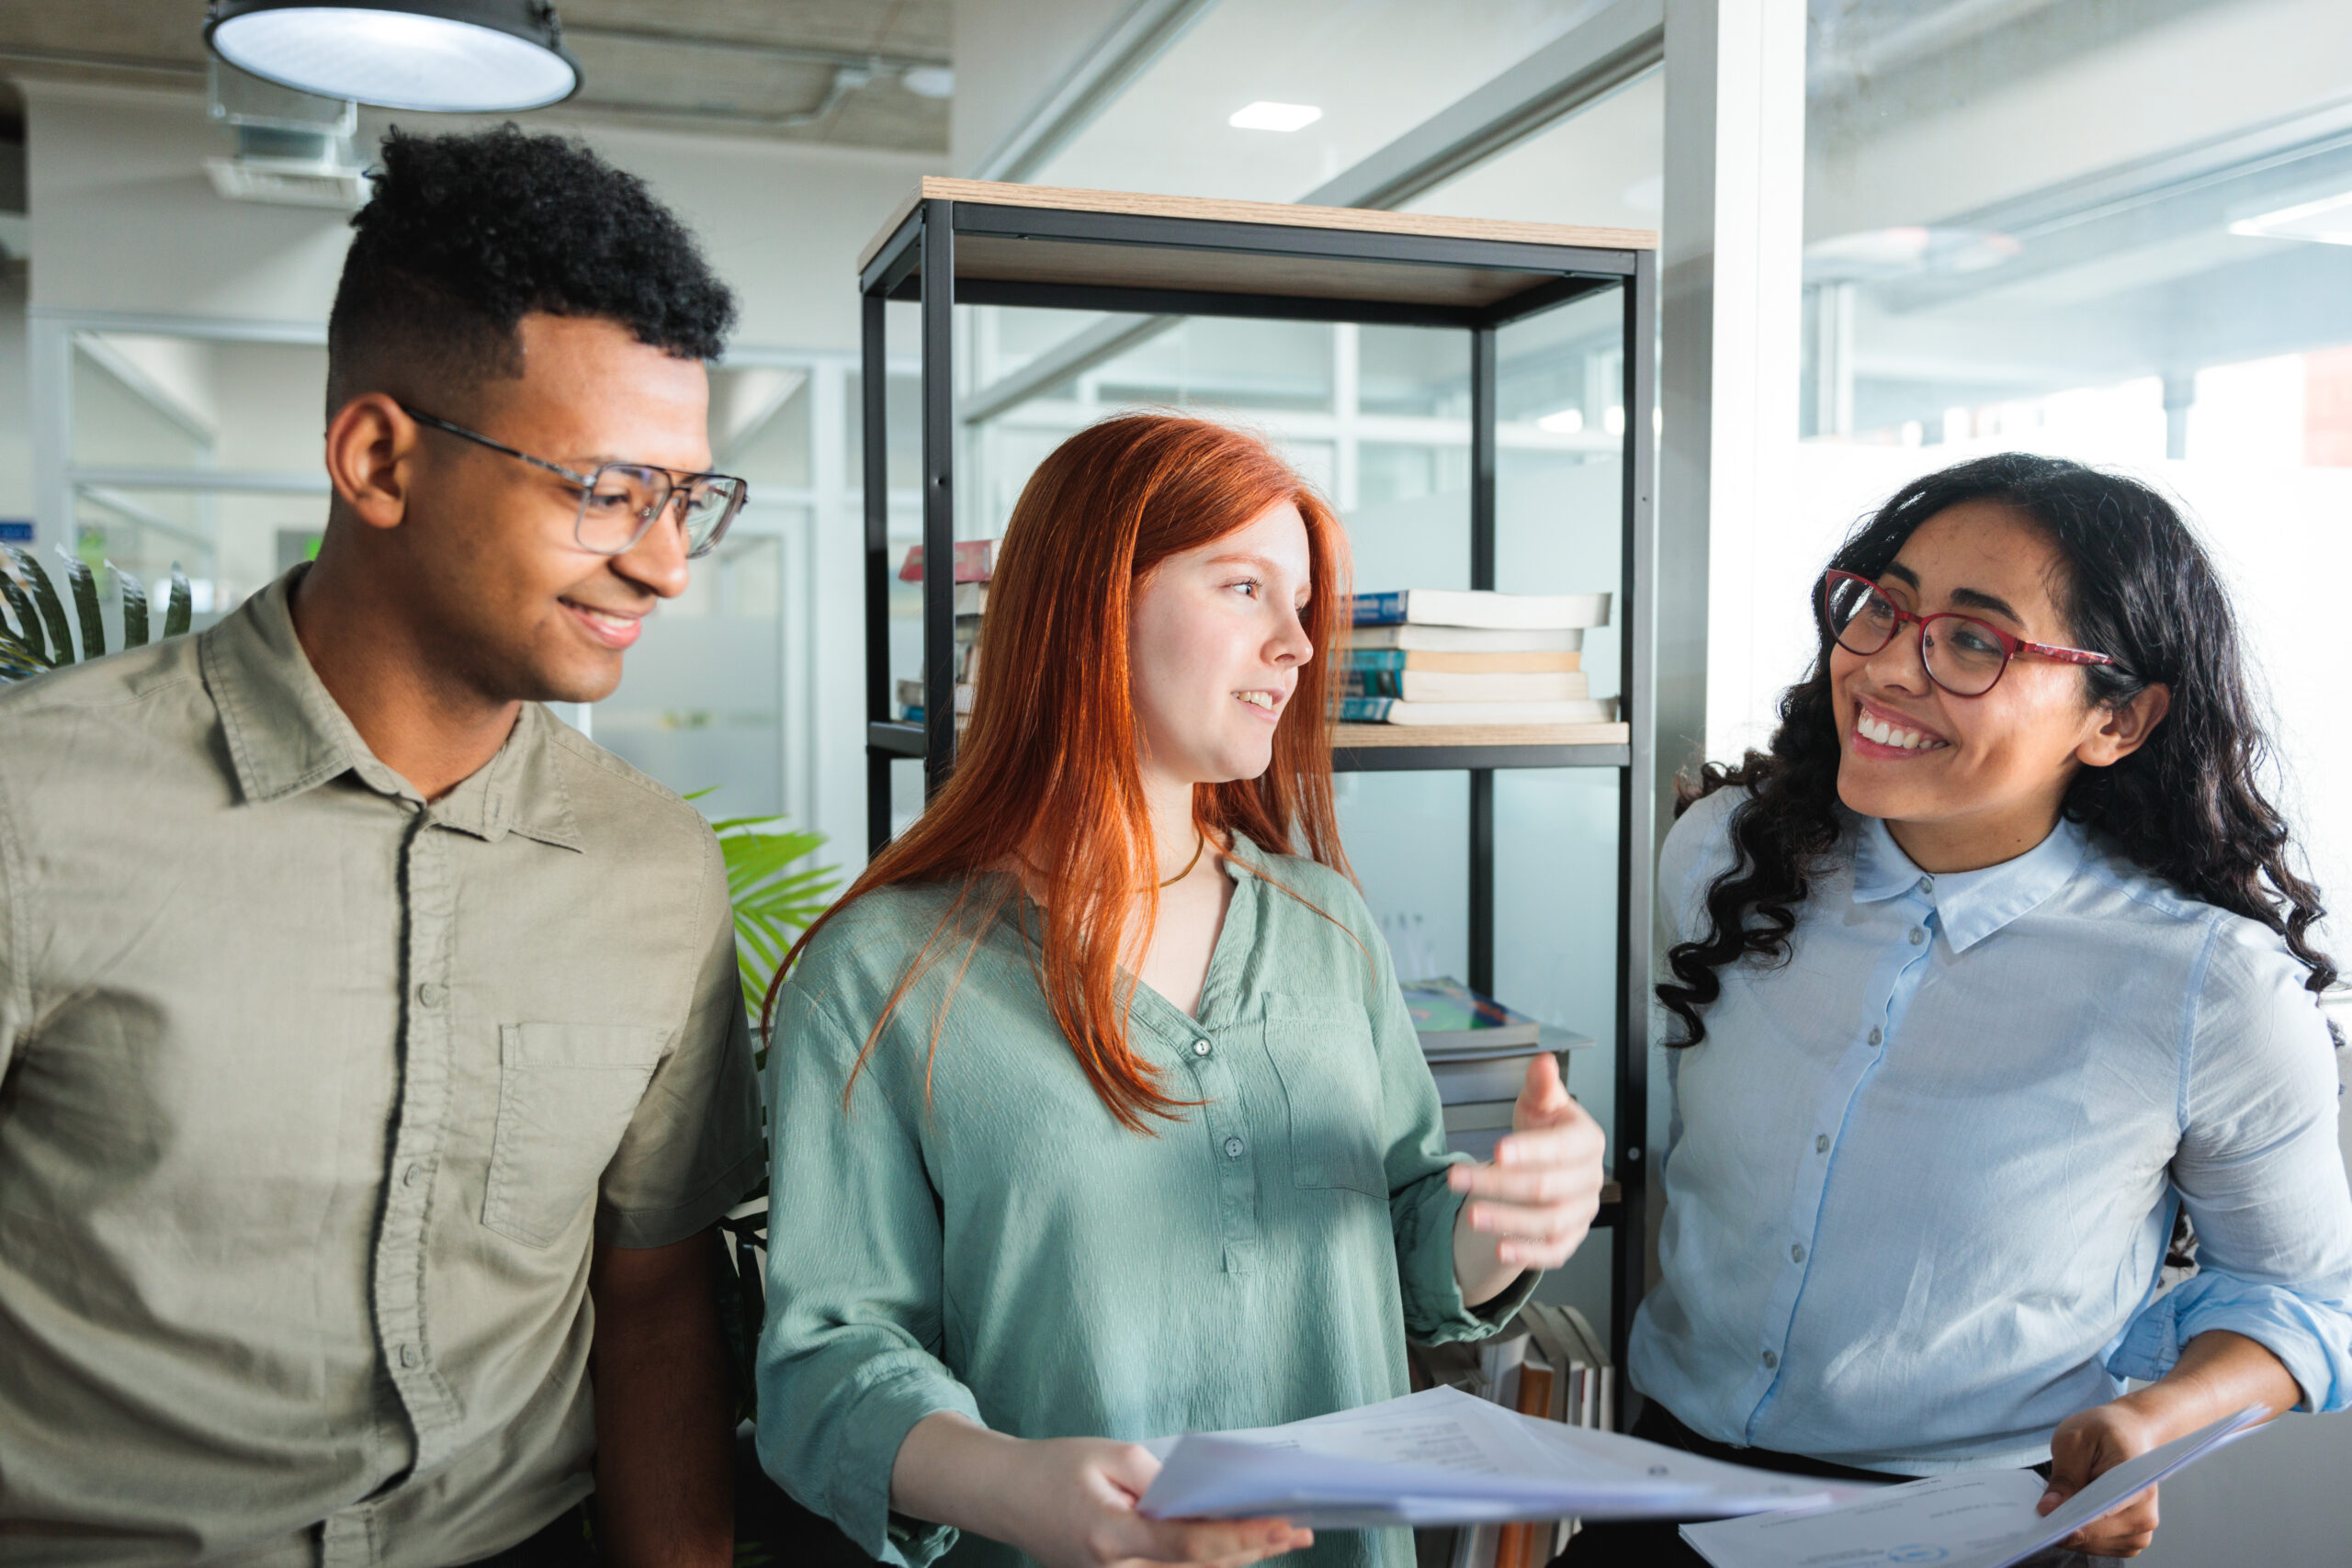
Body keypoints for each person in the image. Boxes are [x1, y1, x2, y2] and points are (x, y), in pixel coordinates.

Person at [0, 127, 763, 1565]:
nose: (663, 561)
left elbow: (653, 1300)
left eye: (685, 498)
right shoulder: (33, 805)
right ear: (378, 458)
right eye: (606, 487)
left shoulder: (653, 869)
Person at [755, 412, 1610, 1568]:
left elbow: (1406, 1257)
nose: (1300, 647)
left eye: (1301, 604)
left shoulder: (1322, 921)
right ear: (1091, 605)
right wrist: (1012, 1483)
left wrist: (1505, 1227)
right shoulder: (876, 976)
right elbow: (827, 1369)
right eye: (1244, 588)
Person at [1560, 454, 2352, 1565]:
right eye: (1882, 608)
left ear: (2117, 719)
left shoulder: (2206, 985)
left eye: (1975, 640)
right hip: (1660, 1496)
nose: (1885, 667)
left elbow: (2299, 1297)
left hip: (1969, 1531)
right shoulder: (1724, 856)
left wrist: (2152, 1421)